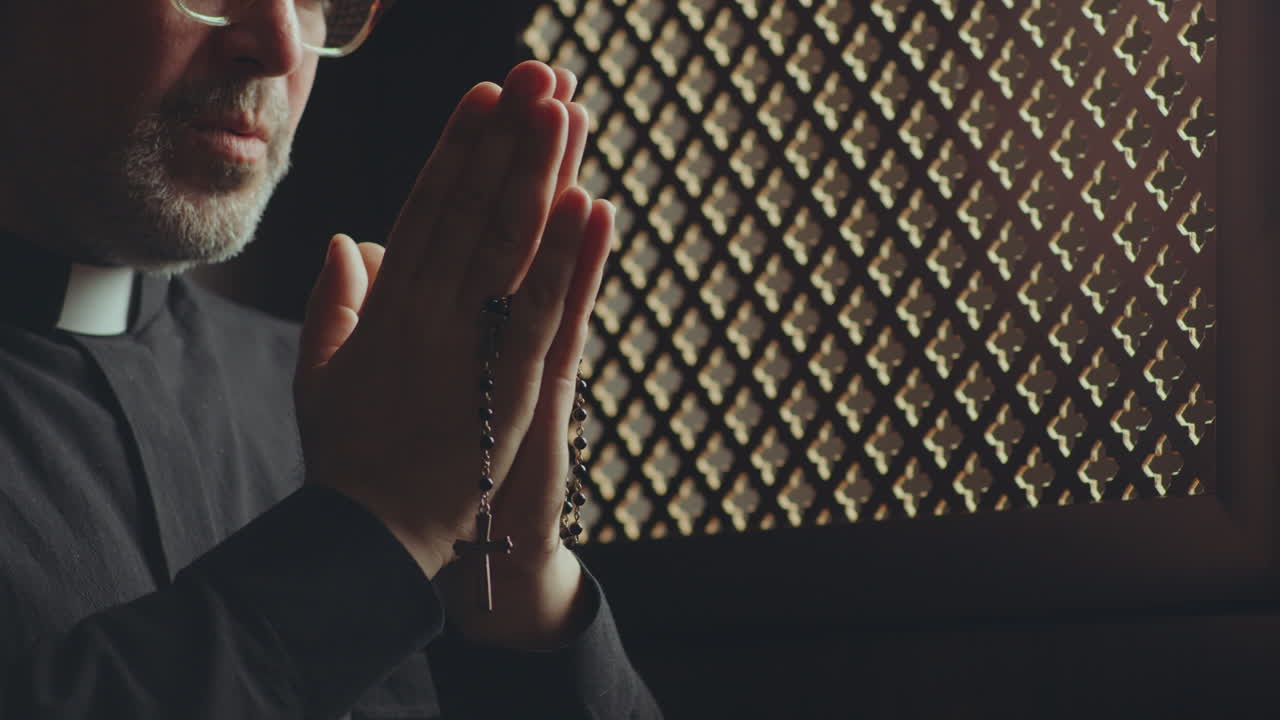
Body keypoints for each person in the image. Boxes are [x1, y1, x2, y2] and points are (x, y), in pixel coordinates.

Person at [0, 0, 661, 717]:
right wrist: (375, 528)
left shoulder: (375, 407)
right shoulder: (388, 467)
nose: (284, 47)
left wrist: (521, 603)